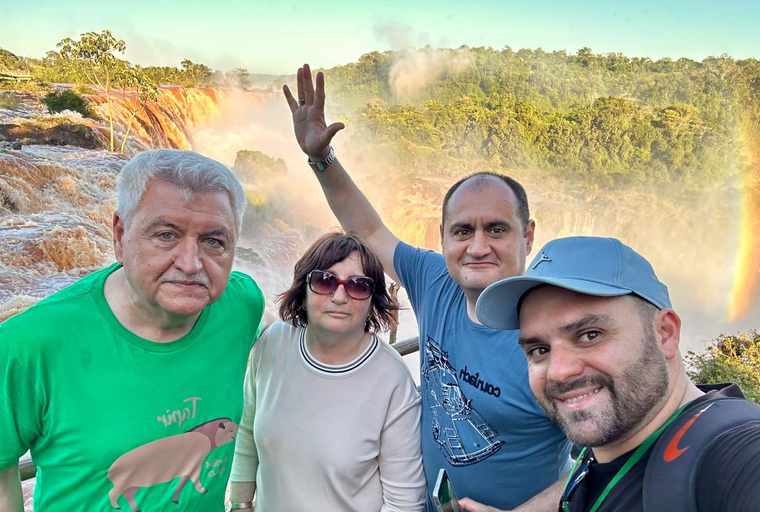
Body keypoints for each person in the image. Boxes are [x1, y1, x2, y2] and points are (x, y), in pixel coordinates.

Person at [283, 64, 571, 512]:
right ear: (442, 236)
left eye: (496, 230)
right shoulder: (435, 279)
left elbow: (607, 458)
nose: (477, 247)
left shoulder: (555, 337)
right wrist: (322, 160)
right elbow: (368, 229)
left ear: (528, 235)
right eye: (462, 232)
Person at [0, 149, 265, 512]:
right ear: (120, 235)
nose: (190, 264)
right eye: (166, 235)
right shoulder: (32, 342)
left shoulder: (242, 306)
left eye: (213, 241)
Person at [472, 236, 760, 512]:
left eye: (590, 335)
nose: (559, 372)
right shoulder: (614, 435)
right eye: (539, 350)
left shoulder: (736, 453)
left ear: (665, 334)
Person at [228, 232, 425, 512]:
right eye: (325, 280)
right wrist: (240, 502)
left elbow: (404, 502)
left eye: (358, 286)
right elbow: (246, 432)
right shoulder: (272, 344)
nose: (340, 296)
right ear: (304, 287)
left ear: (373, 299)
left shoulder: (391, 379)